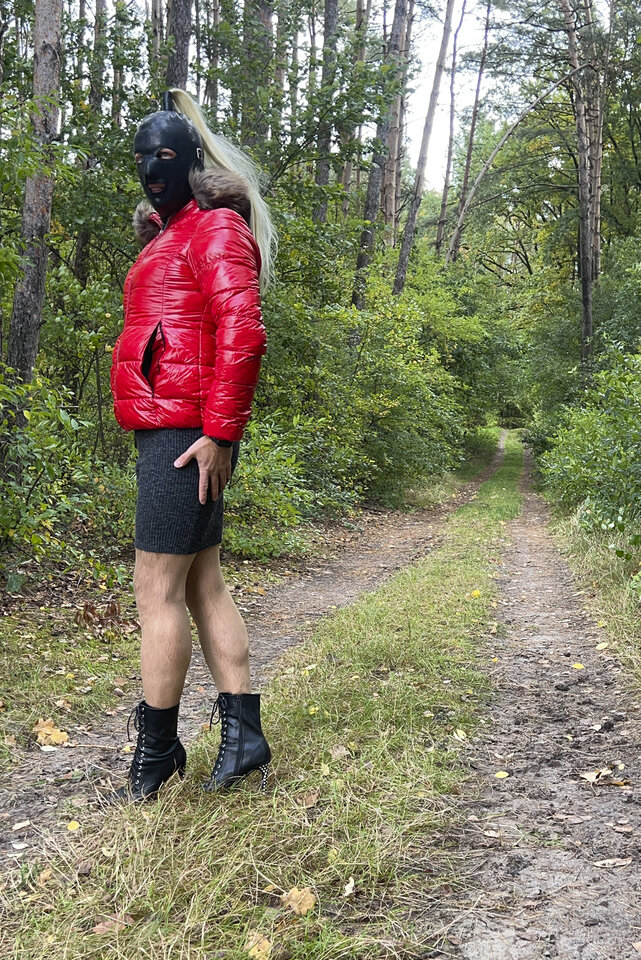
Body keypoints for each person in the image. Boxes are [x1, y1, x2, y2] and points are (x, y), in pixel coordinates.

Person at [109, 89, 276, 802]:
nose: (152, 169)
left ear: (191, 162)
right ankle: (244, 740)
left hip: (184, 432)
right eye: (142, 157)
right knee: (203, 584)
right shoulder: (171, 233)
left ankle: (155, 755)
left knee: (156, 590)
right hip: (171, 424)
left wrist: (218, 433)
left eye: (166, 155)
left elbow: (243, 332)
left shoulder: (213, 228)